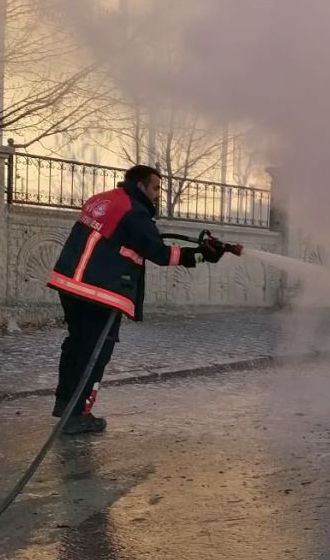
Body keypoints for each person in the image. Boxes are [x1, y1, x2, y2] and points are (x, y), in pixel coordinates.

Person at [47, 165, 227, 434]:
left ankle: (65, 404)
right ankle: (76, 415)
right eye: (155, 188)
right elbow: (160, 254)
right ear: (140, 185)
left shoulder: (103, 200)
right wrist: (202, 255)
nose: (157, 194)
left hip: (70, 284)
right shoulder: (134, 212)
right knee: (95, 353)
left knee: (77, 345)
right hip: (98, 292)